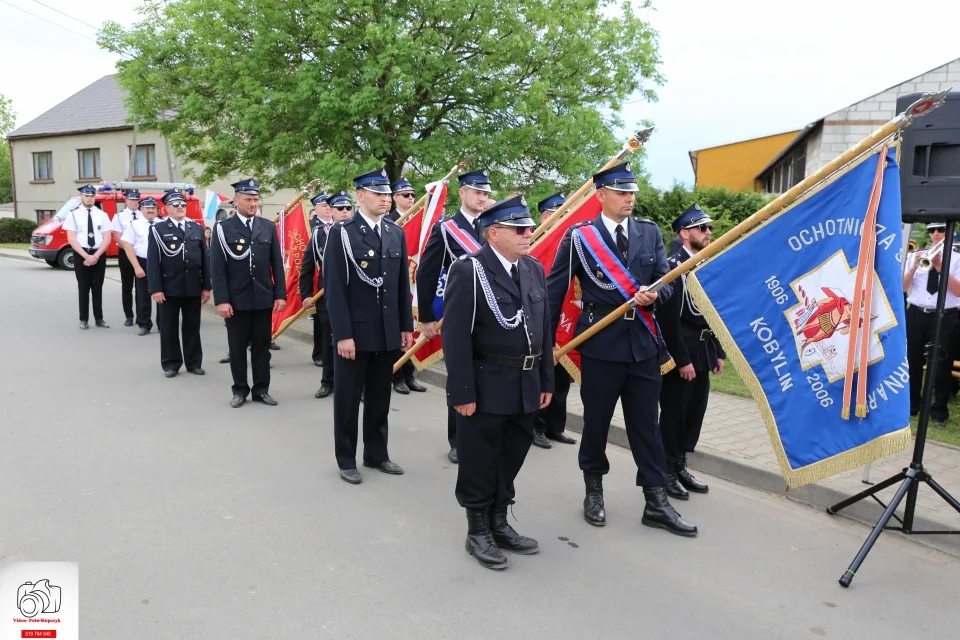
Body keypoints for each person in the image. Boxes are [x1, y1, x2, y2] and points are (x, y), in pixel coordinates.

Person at [545, 162, 697, 537]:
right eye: (622, 192)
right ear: (601, 196)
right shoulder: (580, 237)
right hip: (600, 345)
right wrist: (545, 342)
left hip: (643, 346)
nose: (630, 199)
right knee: (596, 423)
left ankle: (656, 501)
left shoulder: (648, 233)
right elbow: (554, 290)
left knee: (646, 426)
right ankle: (593, 491)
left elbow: (667, 283)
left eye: (632, 193)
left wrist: (654, 295)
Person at [443, 195, 554, 570]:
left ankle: (499, 520)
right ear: (494, 233)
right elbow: (455, 337)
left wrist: (546, 379)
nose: (529, 233)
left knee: (511, 456)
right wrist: (460, 392)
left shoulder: (533, 269)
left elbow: (545, 331)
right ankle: (477, 530)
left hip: (526, 381)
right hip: (487, 383)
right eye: (519, 229)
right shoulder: (469, 270)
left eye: (529, 228)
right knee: (479, 459)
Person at [324, 168, 414, 484]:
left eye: (387, 194)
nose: (385, 200)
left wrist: (406, 326)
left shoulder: (395, 233)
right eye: (378, 194)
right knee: (348, 399)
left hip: (388, 330)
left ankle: (377, 454)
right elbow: (334, 289)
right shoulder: (342, 233)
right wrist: (343, 335)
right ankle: (346, 458)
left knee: (379, 397)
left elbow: (402, 285)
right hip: (356, 332)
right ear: (360, 195)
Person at [416, 169, 493, 463]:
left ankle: (484, 433)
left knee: (489, 375)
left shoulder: (495, 224)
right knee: (460, 375)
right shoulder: (447, 228)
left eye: (485, 193)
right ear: (462, 193)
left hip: (492, 315)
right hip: (458, 315)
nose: (482, 198)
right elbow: (427, 272)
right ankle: (458, 439)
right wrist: (425, 317)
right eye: (477, 192)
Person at [657, 204, 723, 499]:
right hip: (681, 348)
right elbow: (669, 320)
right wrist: (681, 359)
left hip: (703, 348)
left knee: (694, 411)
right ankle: (665, 471)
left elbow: (713, 311)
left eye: (709, 227)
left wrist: (717, 350)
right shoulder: (674, 265)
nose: (708, 232)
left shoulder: (703, 262)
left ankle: (680, 464)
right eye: (702, 228)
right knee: (674, 413)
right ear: (685, 233)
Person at [210, 179, 287, 408]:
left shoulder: (267, 227)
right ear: (237, 201)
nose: (253, 204)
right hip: (237, 301)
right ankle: (240, 390)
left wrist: (280, 295)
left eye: (255, 199)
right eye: (248, 199)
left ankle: (261, 390)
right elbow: (218, 268)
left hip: (263, 298)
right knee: (237, 349)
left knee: (262, 348)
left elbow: (277, 265)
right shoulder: (223, 229)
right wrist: (222, 300)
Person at [147, 190, 211, 377]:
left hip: (192, 286)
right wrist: (156, 289)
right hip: (169, 288)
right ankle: (171, 363)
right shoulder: (158, 230)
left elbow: (205, 260)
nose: (180, 208)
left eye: (183, 204)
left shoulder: (196, 229)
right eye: (175, 205)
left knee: (192, 327)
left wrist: (206, 286)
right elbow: (153, 261)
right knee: (168, 327)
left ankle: (194, 363)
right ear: (166, 209)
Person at [531, 192, 577, 450]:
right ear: (546, 216)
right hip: (539, 319)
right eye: (561, 213)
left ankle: (555, 426)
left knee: (560, 379)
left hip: (563, 320)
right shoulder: (536, 243)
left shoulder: (569, 245)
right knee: (540, 376)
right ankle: (535, 427)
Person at [903, 222, 960, 423]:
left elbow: (958, 290)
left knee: (942, 364)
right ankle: (912, 405)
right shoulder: (915, 255)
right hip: (917, 314)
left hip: (945, 315)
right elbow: (903, 286)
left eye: (941, 230)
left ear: (949, 232)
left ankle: (938, 411)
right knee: (913, 360)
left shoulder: (957, 258)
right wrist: (912, 267)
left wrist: (939, 265)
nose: (936, 234)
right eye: (932, 230)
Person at [387, 177, 427, 394]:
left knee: (412, 331)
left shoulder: (419, 222)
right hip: (395, 286)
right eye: (406, 195)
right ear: (395, 198)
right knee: (397, 333)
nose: (411, 198)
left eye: (413, 194)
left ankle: (410, 375)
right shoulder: (390, 222)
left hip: (414, 286)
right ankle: (397, 376)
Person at [300, 192, 337, 398]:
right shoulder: (319, 234)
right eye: (339, 208)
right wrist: (306, 294)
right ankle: (327, 382)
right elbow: (307, 267)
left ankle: (356, 386)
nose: (343, 211)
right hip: (327, 295)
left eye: (347, 208)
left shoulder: (357, 232)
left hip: (354, 298)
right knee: (329, 340)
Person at [63, 184, 112, 330]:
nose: (89, 198)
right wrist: (86, 256)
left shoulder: (102, 215)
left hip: (98, 254)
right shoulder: (73, 214)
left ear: (94, 197)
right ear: (81, 196)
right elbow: (71, 238)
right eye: (86, 196)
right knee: (83, 288)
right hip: (81, 254)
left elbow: (107, 238)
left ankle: (99, 318)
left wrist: (95, 256)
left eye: (92, 196)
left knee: (98, 288)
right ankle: (83, 319)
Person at [120, 196, 161, 335]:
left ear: (157, 210)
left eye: (153, 208)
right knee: (143, 295)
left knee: (163, 294)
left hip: (161, 264)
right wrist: (136, 266)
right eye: (147, 208)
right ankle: (144, 324)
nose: (150, 210)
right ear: (141, 209)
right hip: (143, 261)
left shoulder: (163, 223)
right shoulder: (134, 224)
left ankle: (163, 323)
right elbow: (127, 246)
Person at [113, 189, 142, 326]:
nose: (135, 202)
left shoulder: (143, 215)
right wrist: (130, 250)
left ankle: (141, 315)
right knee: (127, 286)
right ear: (126, 200)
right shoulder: (119, 216)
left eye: (137, 199)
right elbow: (118, 238)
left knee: (142, 287)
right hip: (125, 254)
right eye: (132, 199)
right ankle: (129, 315)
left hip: (142, 255)